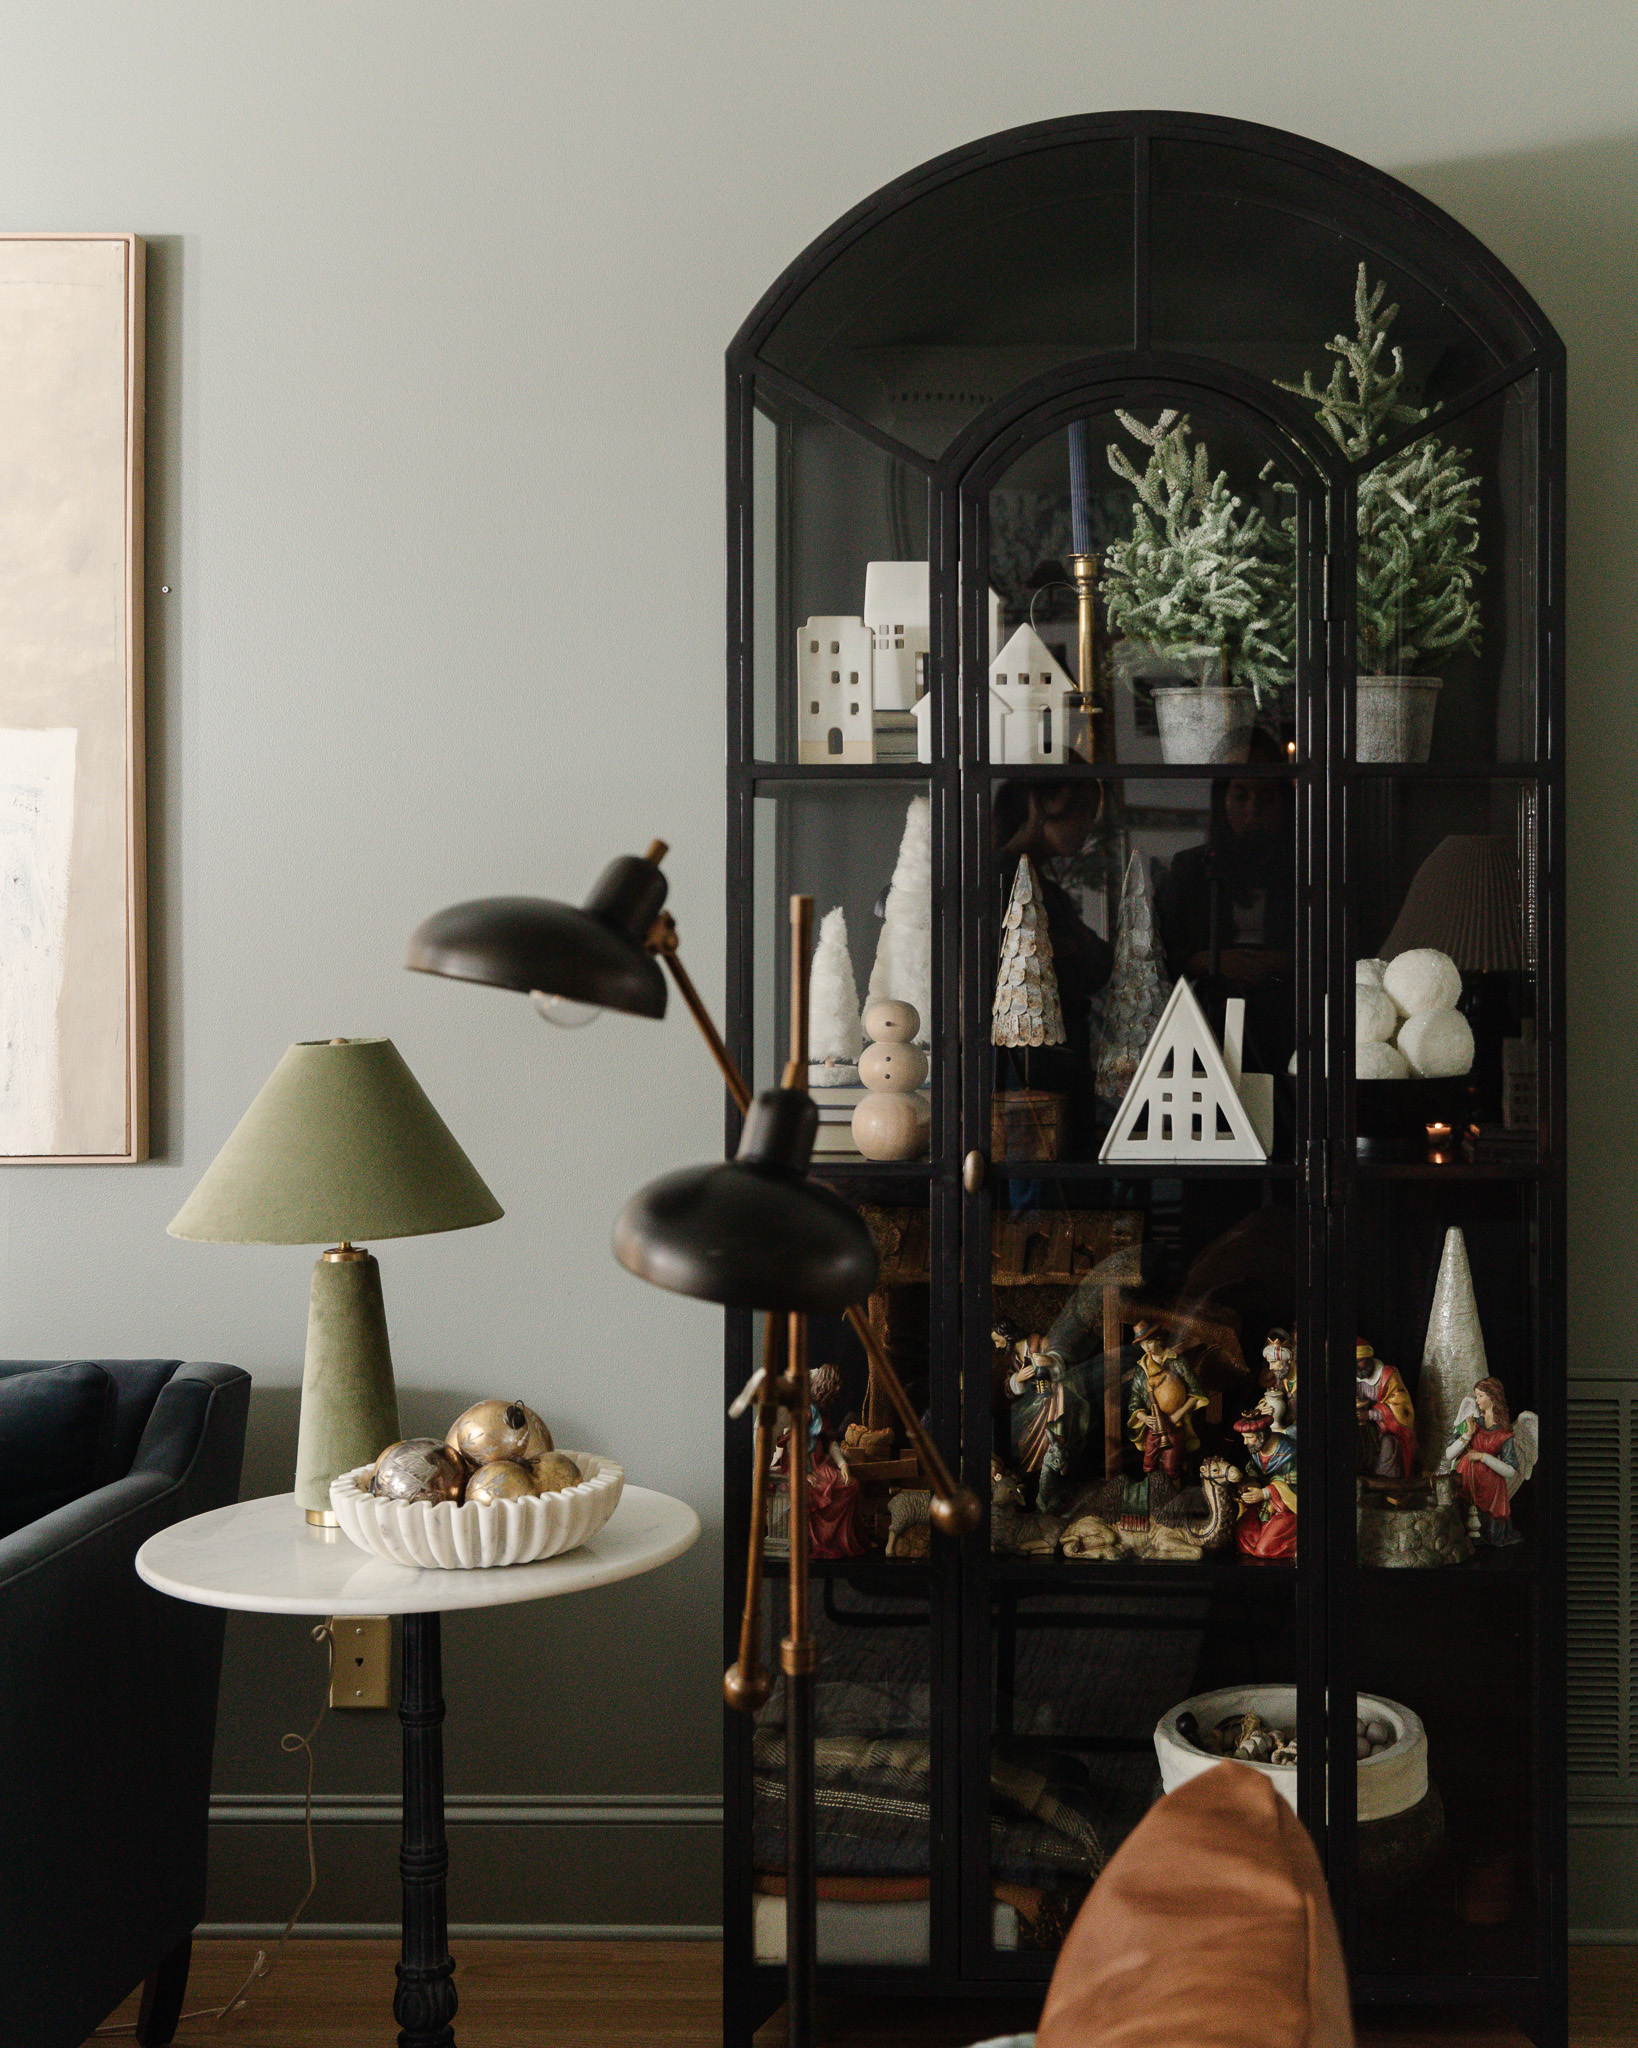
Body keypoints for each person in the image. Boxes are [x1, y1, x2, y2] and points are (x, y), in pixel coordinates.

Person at [1441, 1377, 1527, 1547]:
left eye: (1480, 1396)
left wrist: (1482, 1456)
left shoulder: (1504, 1433)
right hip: (1467, 1482)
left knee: (1487, 1536)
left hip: (1492, 1492)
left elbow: (1510, 1470)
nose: (1476, 1400)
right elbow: (1449, 1454)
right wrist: (1467, 1435)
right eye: (1476, 1396)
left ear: (1493, 1397)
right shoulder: (1470, 1422)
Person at [1127, 1320, 1207, 1484]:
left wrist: (1179, 1413)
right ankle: (1153, 1491)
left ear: (1158, 1339)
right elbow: (1135, 1397)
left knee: (1172, 1465)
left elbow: (1196, 1391)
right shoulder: (1141, 1369)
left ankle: (1173, 1493)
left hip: (1175, 1423)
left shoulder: (1177, 1362)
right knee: (1149, 1462)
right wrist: (1143, 1417)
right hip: (1154, 1424)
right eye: (1142, 1344)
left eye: (1149, 1342)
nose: (1147, 1347)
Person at [1232, 1413, 1297, 1561]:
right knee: (1244, 1537)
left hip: (1287, 1508)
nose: (1245, 1442)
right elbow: (1254, 1473)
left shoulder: (1288, 1452)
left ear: (1261, 1435)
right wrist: (1248, 1486)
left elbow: (1296, 1486)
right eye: (1244, 1437)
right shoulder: (1257, 1450)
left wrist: (1265, 1493)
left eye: (1249, 1437)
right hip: (1264, 1506)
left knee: (1264, 1550)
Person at [1355, 1338, 1417, 1481]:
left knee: (1389, 1444)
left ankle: (1386, 1483)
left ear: (1369, 1358)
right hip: (1362, 1428)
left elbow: (1401, 1409)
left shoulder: (1388, 1374)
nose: (1356, 1367)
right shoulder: (1351, 1375)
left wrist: (1370, 1414)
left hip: (1385, 1428)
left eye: (1359, 1361)